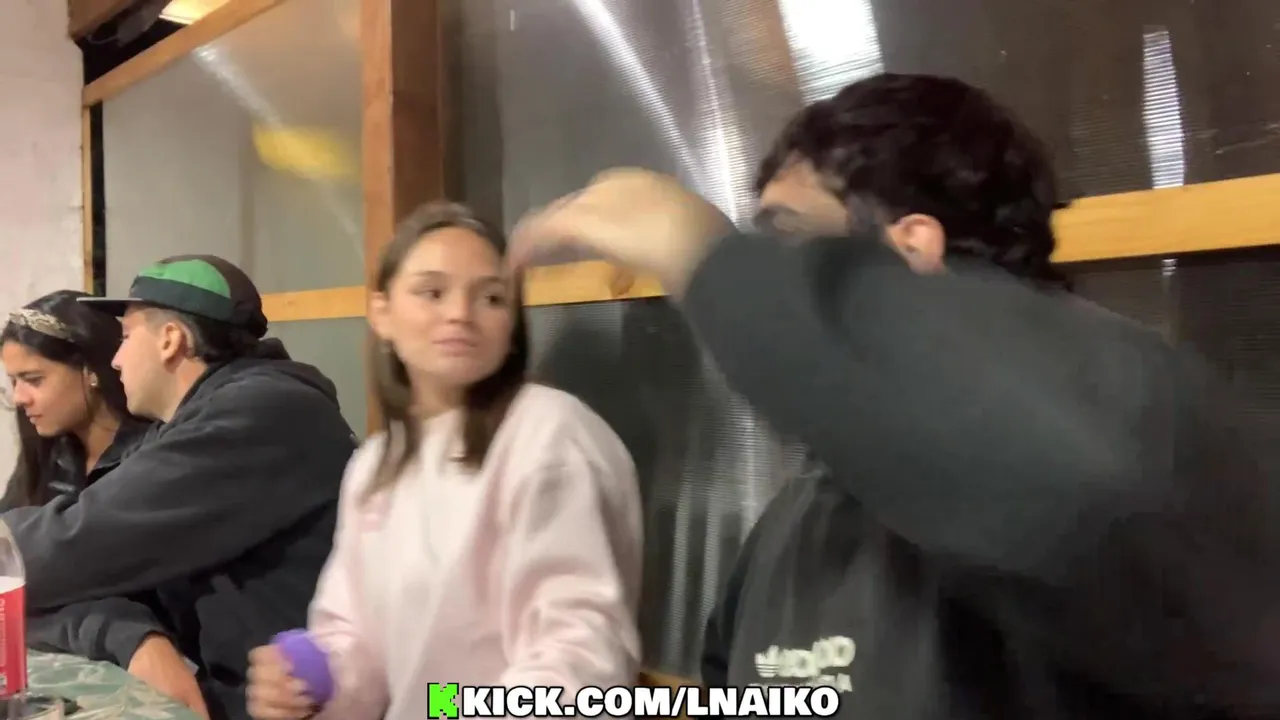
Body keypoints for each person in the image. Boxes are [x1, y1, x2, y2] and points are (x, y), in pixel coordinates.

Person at [506, 74, 1280, 719]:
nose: (769, 284)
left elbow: (1087, 481)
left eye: (786, 241)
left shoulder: (1132, 452)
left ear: (910, 249)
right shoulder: (800, 515)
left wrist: (704, 256)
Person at [244, 202, 643, 720]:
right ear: (382, 312)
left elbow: (580, 658)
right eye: (432, 292)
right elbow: (355, 638)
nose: (460, 314)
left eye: (491, 297)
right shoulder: (376, 463)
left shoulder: (550, 435)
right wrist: (309, 681)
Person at [0, 256, 358, 720]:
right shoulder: (204, 418)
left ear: (171, 339)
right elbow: (90, 574)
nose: (115, 359)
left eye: (126, 337)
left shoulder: (260, 413)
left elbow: (83, 541)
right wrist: (134, 637)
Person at [1, 291, 170, 672]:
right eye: (12, 381)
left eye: (33, 379)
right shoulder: (49, 456)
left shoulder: (154, 458)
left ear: (91, 370)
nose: (19, 398)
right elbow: (6, 582)